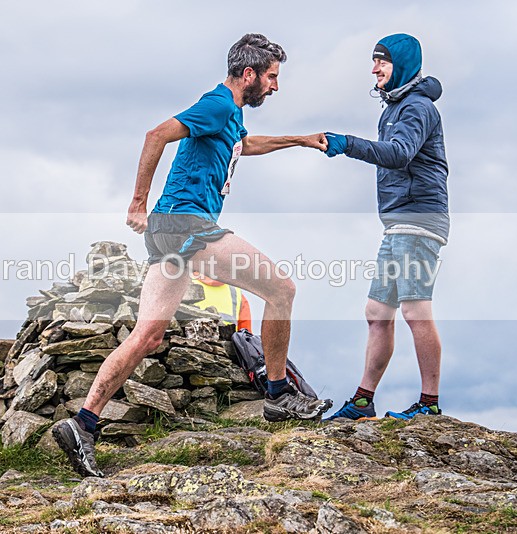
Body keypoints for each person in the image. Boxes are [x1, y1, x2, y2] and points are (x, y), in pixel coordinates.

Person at [53, 33, 333, 477]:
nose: (275, 87)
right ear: (249, 74)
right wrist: (137, 202)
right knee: (281, 289)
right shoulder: (218, 104)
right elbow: (157, 134)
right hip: (187, 225)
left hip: (168, 234)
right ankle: (279, 395)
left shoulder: (230, 116)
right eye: (272, 77)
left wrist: (299, 140)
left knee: (148, 336)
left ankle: (83, 424)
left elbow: (246, 144)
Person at [322, 33, 449, 422]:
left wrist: (346, 143)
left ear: (404, 65)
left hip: (419, 219)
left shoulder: (417, 108)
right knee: (377, 312)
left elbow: (397, 155)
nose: (374, 68)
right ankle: (363, 402)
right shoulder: (393, 108)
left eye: (383, 61)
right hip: (398, 223)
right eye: (374, 61)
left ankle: (429, 406)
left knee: (415, 311)